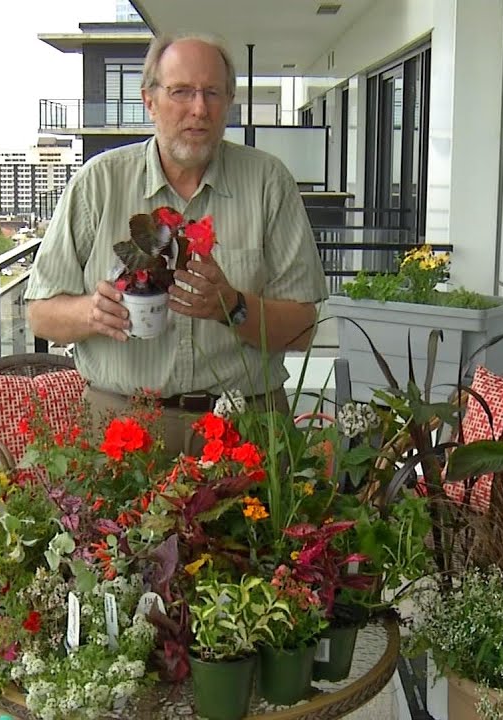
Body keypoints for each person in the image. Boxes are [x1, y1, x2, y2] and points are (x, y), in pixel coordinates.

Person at [25, 32, 327, 455]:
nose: (198, 108)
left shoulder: (268, 183)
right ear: (149, 100)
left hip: (244, 426)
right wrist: (92, 314)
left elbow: (303, 328)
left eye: (212, 93)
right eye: (181, 91)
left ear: (228, 103)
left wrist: (233, 306)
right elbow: (39, 314)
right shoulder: (98, 183)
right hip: (122, 425)